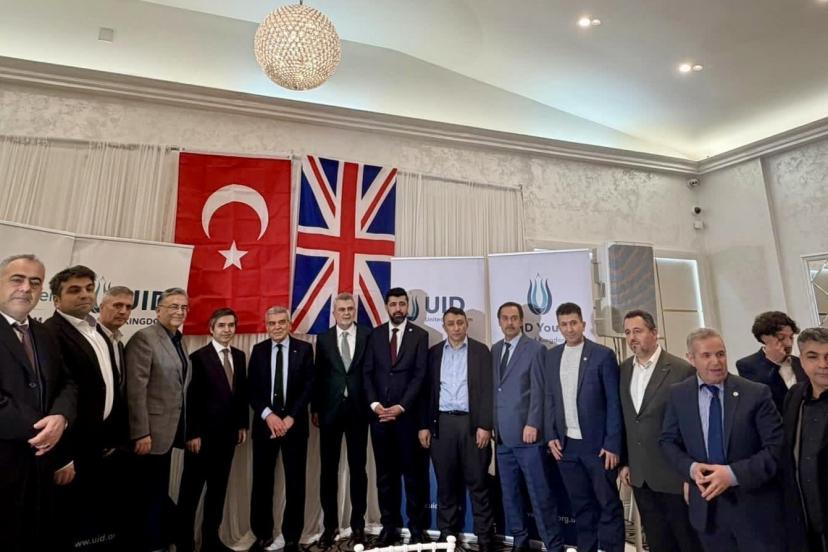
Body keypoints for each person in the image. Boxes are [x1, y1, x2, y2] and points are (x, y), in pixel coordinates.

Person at [660, 327, 785, 551]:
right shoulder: (678, 394)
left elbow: (776, 449)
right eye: (706, 355)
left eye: (720, 354)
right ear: (691, 358)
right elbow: (668, 441)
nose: (716, 362)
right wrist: (691, 468)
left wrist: (732, 474)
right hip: (707, 512)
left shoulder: (756, 393)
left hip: (754, 511)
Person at [44, 266, 128, 547]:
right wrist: (62, 457)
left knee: (88, 522)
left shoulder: (97, 331)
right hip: (71, 449)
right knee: (62, 523)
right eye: (74, 290)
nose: (85, 295)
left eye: (89, 289)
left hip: (98, 445)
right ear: (57, 300)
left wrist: (112, 435)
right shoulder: (50, 333)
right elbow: (52, 399)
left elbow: (109, 387)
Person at [0, 253, 77, 552]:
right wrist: (44, 429)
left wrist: (61, 417)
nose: (26, 288)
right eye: (17, 279)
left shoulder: (44, 334)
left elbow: (67, 383)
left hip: (41, 468)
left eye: (35, 282)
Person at [617, 310, 701, 552]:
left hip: (673, 476)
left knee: (686, 542)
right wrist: (625, 462)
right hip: (641, 476)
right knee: (657, 542)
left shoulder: (681, 370)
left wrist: (689, 475)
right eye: (627, 332)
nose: (632, 338)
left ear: (654, 333)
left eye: (638, 331)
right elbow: (627, 420)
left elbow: (691, 427)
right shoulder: (623, 370)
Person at [546, 302, 624, 552]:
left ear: (583, 324)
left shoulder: (603, 355)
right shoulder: (552, 356)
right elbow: (550, 398)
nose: (569, 329)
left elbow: (614, 402)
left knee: (608, 505)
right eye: (564, 324)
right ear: (558, 327)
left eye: (573, 323)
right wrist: (550, 435)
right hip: (567, 447)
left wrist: (612, 443)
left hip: (598, 448)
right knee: (581, 507)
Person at [418, 307, 495, 550]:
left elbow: (488, 391)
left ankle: (485, 538)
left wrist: (485, 425)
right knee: (446, 484)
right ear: (444, 327)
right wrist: (424, 426)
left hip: (472, 425)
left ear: (466, 324)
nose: (456, 327)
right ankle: (446, 535)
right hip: (442, 424)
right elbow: (427, 393)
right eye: (451, 323)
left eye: (460, 322)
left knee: (478, 482)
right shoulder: (434, 353)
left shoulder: (481, 351)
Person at [493, 301, 564, 552]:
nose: (510, 322)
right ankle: (519, 542)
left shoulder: (535, 349)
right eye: (505, 318)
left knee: (540, 495)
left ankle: (554, 546)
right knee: (510, 496)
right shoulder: (495, 349)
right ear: (499, 321)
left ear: (522, 321)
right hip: (502, 438)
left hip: (528, 436)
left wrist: (533, 422)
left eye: (514, 318)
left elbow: (540, 390)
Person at [126, 287, 193, 551]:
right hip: (149, 435)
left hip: (167, 432)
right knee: (146, 494)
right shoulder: (144, 338)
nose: (179, 311)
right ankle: (148, 544)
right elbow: (135, 390)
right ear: (158, 310)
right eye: (173, 306)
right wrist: (141, 432)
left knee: (158, 491)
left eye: (183, 307)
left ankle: (157, 541)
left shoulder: (178, 339)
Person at [176, 308, 248, 552]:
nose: (227, 330)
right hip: (201, 439)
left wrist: (242, 424)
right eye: (222, 325)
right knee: (190, 492)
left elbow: (240, 395)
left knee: (217, 492)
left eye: (231, 325)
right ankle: (184, 543)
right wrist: (192, 433)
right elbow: (190, 399)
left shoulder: (239, 356)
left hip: (227, 438)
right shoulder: (197, 357)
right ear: (211, 329)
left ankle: (210, 541)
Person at [363, 287, 430, 546]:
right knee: (385, 478)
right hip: (380, 418)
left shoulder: (420, 335)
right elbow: (367, 373)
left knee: (413, 477)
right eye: (393, 304)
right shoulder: (375, 335)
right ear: (387, 307)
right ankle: (388, 527)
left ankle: (416, 529)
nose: (398, 308)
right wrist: (375, 404)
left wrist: (401, 406)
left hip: (407, 419)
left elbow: (420, 376)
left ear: (408, 306)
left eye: (402, 304)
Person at [248, 306, 314, 552]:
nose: (277, 327)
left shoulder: (305, 349)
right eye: (272, 323)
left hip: (294, 427)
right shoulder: (258, 350)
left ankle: (292, 537)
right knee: (262, 482)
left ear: (290, 324)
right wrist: (269, 416)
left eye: (281, 322)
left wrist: (290, 418)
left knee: (295, 483)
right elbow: (252, 389)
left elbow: (308, 386)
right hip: (265, 426)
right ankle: (262, 534)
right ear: (266, 326)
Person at [312, 293, 371, 547]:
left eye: (350, 308)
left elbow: (372, 372)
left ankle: (358, 526)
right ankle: (330, 526)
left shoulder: (368, 335)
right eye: (342, 309)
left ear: (354, 310)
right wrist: (316, 409)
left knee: (358, 470)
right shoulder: (323, 338)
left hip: (359, 411)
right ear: (334, 313)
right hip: (330, 413)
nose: (346, 313)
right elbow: (318, 376)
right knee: (328, 470)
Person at [782, 327, 828, 552]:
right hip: (806, 520)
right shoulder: (795, 395)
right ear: (801, 360)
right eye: (813, 356)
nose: (823, 364)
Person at [736, 311, 807, 412]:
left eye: (791, 337)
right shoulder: (747, 365)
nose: (789, 343)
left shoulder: (799, 362)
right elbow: (762, 400)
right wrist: (774, 362)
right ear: (764, 338)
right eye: (781, 338)